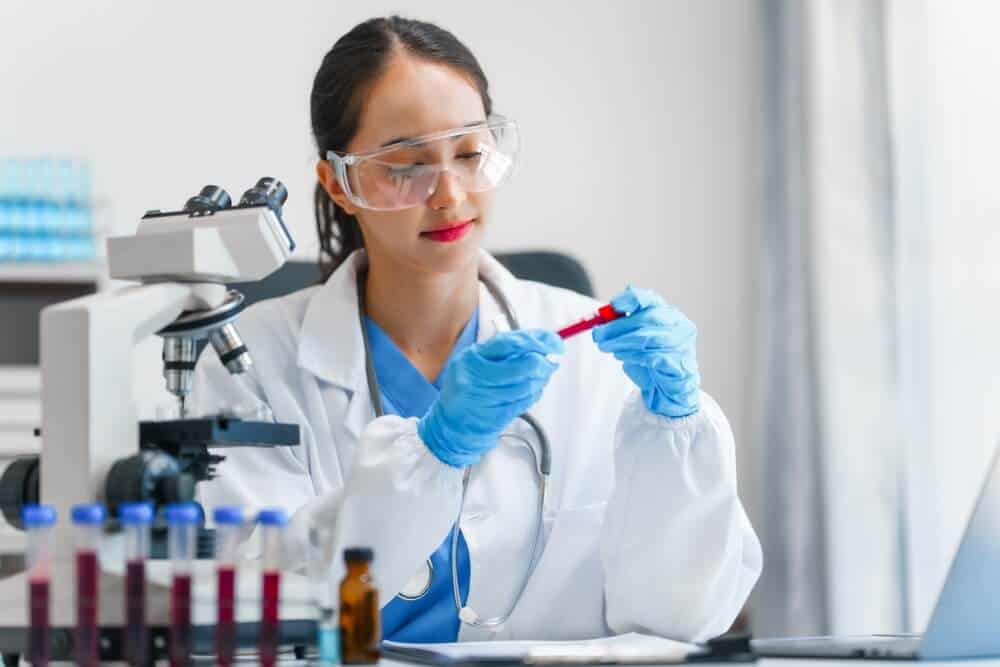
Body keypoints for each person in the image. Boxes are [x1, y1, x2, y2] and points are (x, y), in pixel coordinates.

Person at [193, 15, 761, 643]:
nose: (449, 194)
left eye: (469, 154)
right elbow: (255, 606)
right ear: (340, 184)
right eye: (406, 165)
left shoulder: (592, 356)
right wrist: (429, 455)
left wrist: (676, 438)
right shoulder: (249, 363)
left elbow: (680, 622)